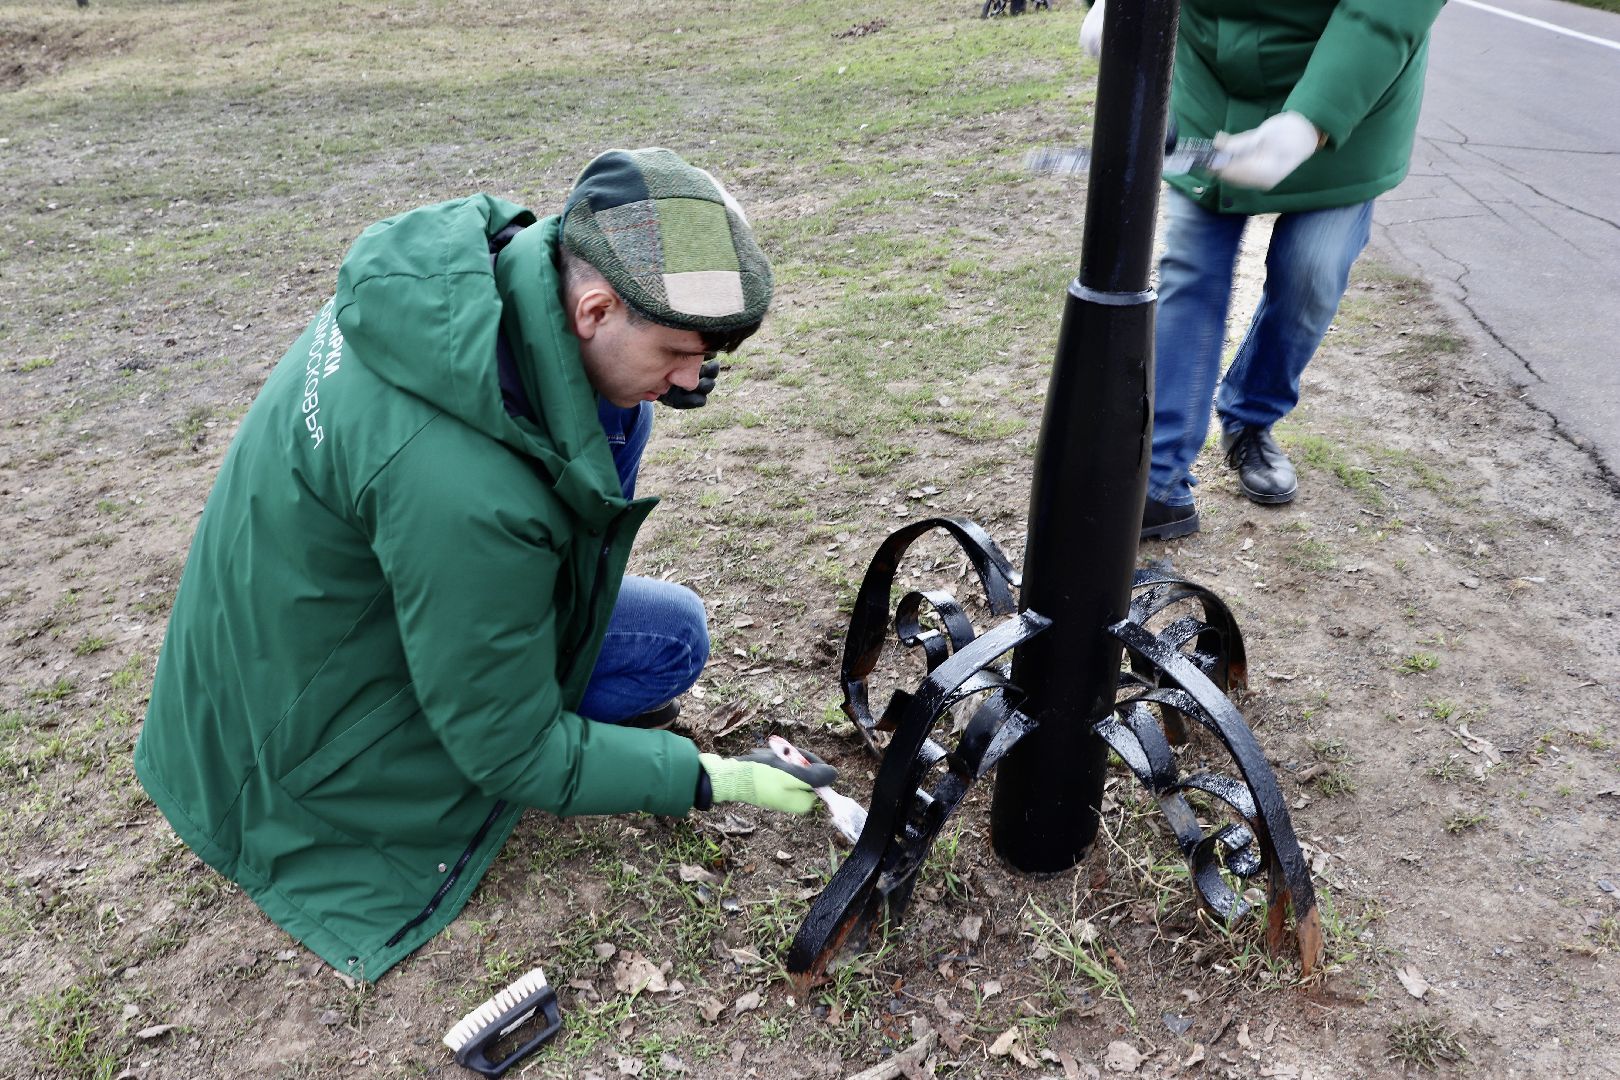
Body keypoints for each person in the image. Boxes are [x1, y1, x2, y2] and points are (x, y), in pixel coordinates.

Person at [133, 148, 836, 981]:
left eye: (710, 360)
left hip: (270, 656)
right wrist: (711, 779)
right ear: (596, 307)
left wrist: (657, 372)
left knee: (634, 468)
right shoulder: (465, 489)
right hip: (292, 745)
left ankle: (513, 661)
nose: (694, 380)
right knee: (668, 644)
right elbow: (507, 751)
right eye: (679, 354)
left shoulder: (476, 277)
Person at [1082, 0, 1446, 540]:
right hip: (1209, 77)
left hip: (1350, 87)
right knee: (1190, 269)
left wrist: (1310, 122)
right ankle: (1157, 478)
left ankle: (1250, 416)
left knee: (1311, 270)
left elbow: (1386, 12)